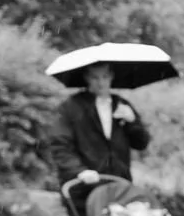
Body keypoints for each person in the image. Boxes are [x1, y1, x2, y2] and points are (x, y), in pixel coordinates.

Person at [46, 61, 149, 190]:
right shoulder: (71, 106)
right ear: (86, 78)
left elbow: (141, 143)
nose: (101, 83)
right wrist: (79, 171)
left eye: (105, 77)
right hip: (84, 186)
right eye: (95, 77)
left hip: (119, 185)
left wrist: (132, 122)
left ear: (112, 76)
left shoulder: (122, 105)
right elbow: (59, 144)